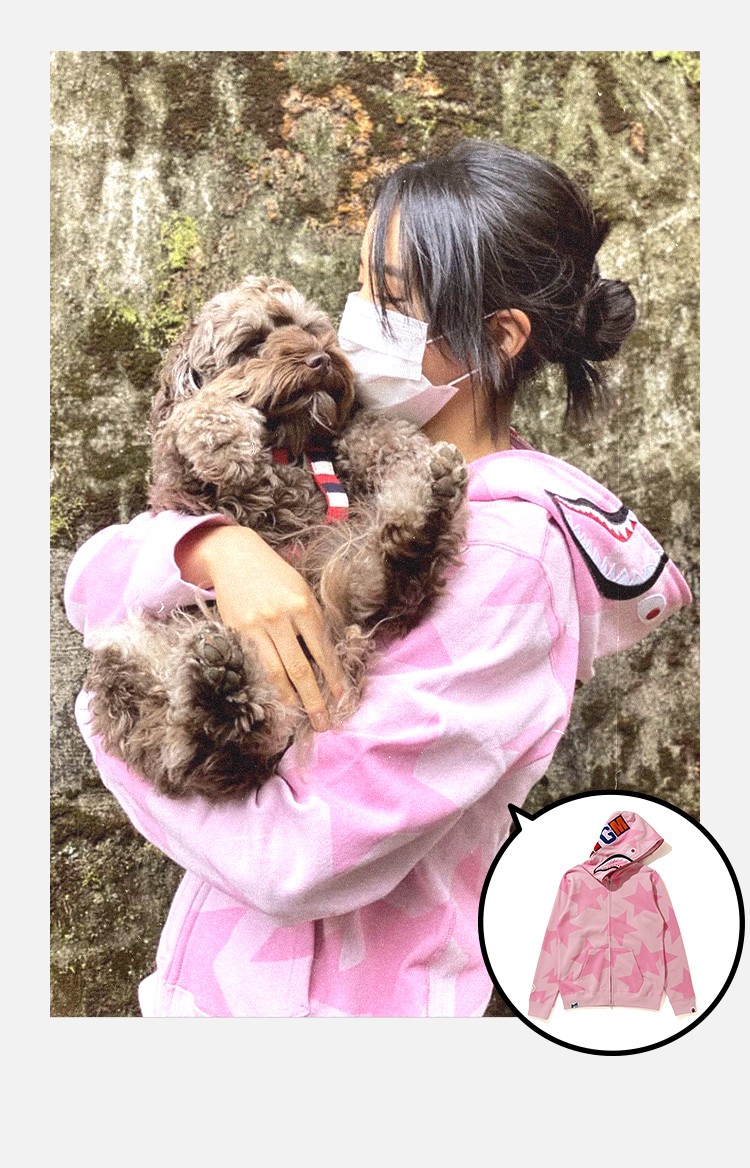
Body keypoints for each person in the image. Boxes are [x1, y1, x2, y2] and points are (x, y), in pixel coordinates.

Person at [64, 139, 692, 1017]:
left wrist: (101, 725)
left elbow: (298, 860)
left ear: (499, 337)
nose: (356, 321)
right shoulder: (330, 466)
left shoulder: (508, 561)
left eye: (392, 299)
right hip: (206, 997)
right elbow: (90, 581)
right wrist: (215, 550)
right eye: (361, 287)